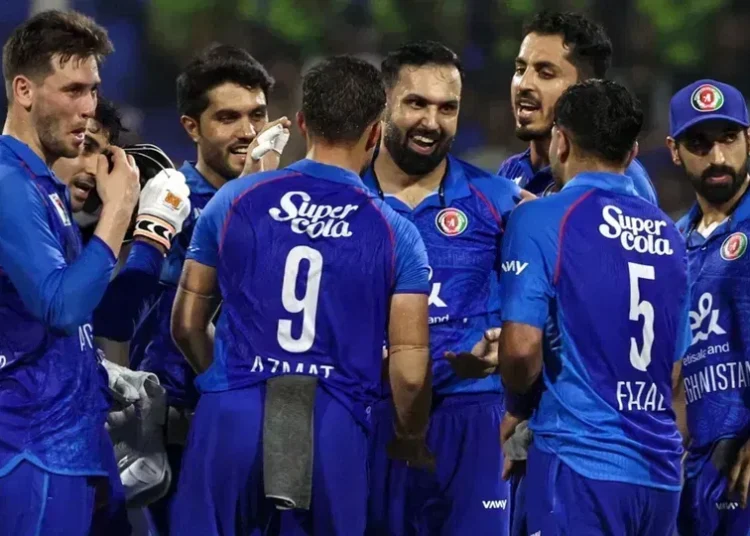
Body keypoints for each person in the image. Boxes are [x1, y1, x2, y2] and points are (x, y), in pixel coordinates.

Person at [169, 54, 433, 536]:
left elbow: (186, 324)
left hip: (233, 419)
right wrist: (409, 435)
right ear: (375, 133)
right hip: (332, 424)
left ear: (304, 122)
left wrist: (229, 382)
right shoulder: (395, 232)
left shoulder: (234, 199)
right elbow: (411, 373)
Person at [495, 79, 690, 535]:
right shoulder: (671, 235)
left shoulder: (542, 218)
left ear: (560, 140)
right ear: (632, 152)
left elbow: (521, 351)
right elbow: (674, 371)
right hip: (660, 477)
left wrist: (517, 409)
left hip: (579, 464)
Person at [127, 43, 290, 535]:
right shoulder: (165, 200)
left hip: (269, 426)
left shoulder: (289, 205)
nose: (249, 132)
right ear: (191, 127)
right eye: (228, 117)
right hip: (182, 432)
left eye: (257, 115)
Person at [364, 41, 521, 536]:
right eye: (416, 103)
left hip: (473, 415)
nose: (431, 122)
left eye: (446, 108)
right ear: (383, 105)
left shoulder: (499, 201)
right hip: (370, 413)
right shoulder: (345, 200)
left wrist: (513, 344)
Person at [0, 11, 141, 535]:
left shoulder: (39, 185)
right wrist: (118, 210)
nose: (88, 108)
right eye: (73, 90)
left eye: (94, 90)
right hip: (32, 451)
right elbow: (60, 307)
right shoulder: (9, 184)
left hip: (66, 448)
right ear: (24, 90)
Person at [668, 80, 750, 535]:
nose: (717, 157)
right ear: (675, 151)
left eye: (728, 138)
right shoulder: (672, 243)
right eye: (699, 143)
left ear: (749, 140)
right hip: (693, 471)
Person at [498, 10, 656, 203]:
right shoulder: (510, 171)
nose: (523, 84)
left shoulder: (620, 176)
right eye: (520, 69)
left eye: (546, 74)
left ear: (584, 89)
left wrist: (543, 215)